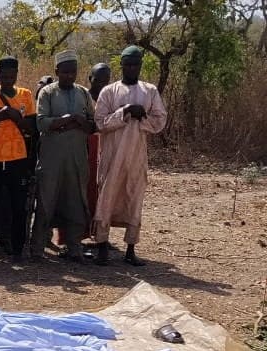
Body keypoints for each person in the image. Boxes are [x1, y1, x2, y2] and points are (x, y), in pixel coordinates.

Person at [94, 45, 168, 267]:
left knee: (134, 198)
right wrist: (124, 112)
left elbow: (159, 121)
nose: (132, 68)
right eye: (128, 64)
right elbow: (99, 123)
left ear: (140, 66)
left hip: (136, 155)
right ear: (122, 65)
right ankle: (101, 248)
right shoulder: (109, 91)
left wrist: (141, 115)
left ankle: (130, 249)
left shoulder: (150, 91)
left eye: (136, 64)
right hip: (112, 155)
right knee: (106, 199)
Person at [31, 51, 95, 264]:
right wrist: (68, 120)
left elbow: (92, 125)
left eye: (73, 72)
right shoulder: (47, 93)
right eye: (65, 72)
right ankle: (38, 248)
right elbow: (42, 123)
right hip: (52, 159)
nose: (69, 76)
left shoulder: (83, 93)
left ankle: (74, 247)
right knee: (46, 200)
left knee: (76, 201)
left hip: (77, 158)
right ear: (57, 71)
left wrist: (77, 121)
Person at [0, 56, 36, 263]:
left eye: (12, 76)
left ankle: (18, 251)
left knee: (18, 207)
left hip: (18, 158)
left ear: (16, 75)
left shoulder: (26, 95)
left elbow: (32, 128)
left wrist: (16, 117)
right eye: (5, 76)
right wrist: (1, 116)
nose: (8, 80)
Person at [84, 62, 111, 248]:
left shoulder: (110, 98)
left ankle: (99, 234)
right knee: (84, 190)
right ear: (90, 79)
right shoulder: (82, 96)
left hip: (105, 147)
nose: (101, 84)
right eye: (98, 79)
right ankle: (79, 234)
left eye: (105, 80)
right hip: (86, 147)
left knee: (102, 192)